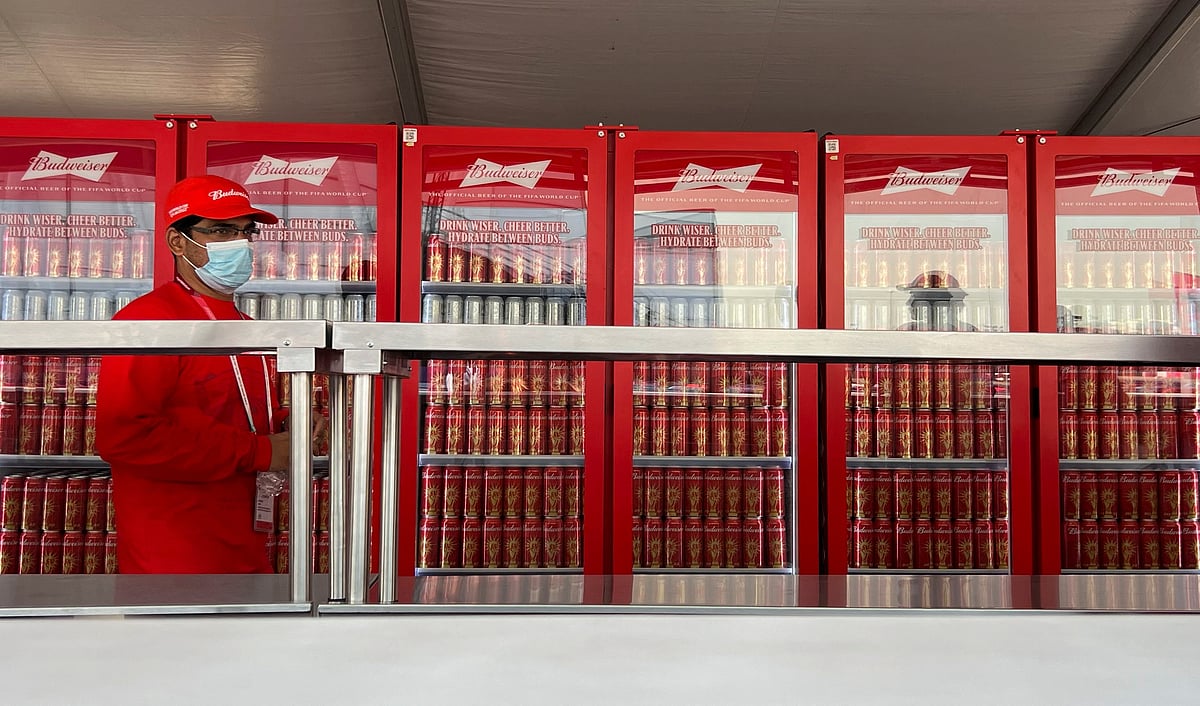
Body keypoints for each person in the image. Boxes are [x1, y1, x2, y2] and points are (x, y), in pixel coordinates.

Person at [97, 175, 326, 573]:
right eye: (221, 230)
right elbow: (125, 435)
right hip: (174, 558)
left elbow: (228, 412)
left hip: (244, 546)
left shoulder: (244, 325)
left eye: (245, 231)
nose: (239, 242)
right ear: (178, 242)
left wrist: (292, 424)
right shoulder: (149, 320)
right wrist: (262, 451)